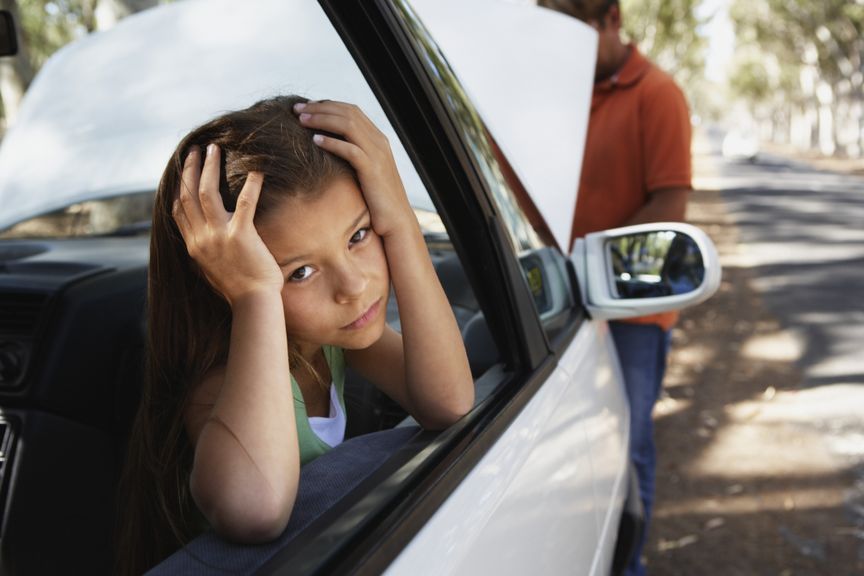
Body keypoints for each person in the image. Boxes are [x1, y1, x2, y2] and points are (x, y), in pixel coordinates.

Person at [116, 95, 474, 575]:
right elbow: (255, 511)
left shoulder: (328, 340)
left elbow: (446, 401)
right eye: (300, 271)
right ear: (227, 277)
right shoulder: (220, 385)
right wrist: (255, 295)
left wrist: (401, 222)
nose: (353, 287)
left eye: (359, 235)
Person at [538, 1, 692, 574]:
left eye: (572, 34)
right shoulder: (562, 93)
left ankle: (628, 563)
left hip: (630, 312)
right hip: (567, 298)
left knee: (626, 445)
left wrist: (592, 262)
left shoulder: (657, 94)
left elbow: (669, 204)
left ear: (610, 21)